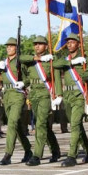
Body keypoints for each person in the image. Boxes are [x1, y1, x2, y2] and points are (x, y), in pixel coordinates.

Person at [0, 37, 32, 165]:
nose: (8, 48)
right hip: (7, 96)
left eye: (11, 46)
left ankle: (8, 154)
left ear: (16, 47)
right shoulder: (3, 63)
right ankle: (28, 150)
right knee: (16, 126)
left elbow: (30, 77)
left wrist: (23, 83)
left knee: (12, 123)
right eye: (7, 46)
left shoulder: (21, 61)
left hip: (18, 95)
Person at [52, 33, 88, 167]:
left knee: (75, 124)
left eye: (72, 42)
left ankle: (72, 156)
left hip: (80, 95)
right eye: (68, 42)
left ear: (78, 44)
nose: (69, 44)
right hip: (68, 95)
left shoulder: (85, 60)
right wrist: (71, 62)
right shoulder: (65, 60)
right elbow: (55, 65)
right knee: (76, 125)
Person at [20, 35, 61, 166]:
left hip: (44, 93)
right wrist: (23, 83)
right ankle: (55, 150)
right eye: (35, 44)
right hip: (34, 94)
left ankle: (37, 155)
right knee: (42, 124)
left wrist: (58, 94)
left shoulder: (50, 59)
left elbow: (57, 78)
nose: (37, 46)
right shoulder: (31, 60)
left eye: (40, 44)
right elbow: (21, 58)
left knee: (40, 124)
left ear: (46, 46)